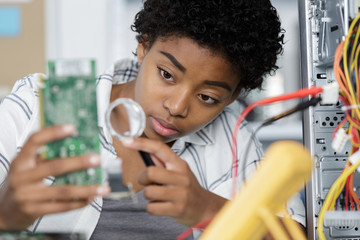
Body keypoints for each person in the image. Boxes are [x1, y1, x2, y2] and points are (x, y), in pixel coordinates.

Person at [0, 0, 306, 239]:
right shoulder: (41, 102)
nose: (176, 107)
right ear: (144, 45)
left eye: (208, 97)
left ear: (235, 94)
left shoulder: (234, 141)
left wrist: (207, 208)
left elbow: (296, 235)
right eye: (167, 75)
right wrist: (6, 216)